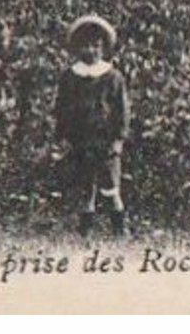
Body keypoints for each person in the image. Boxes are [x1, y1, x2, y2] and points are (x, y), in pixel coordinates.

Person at [52, 13, 130, 236]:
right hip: (80, 139)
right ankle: (85, 229)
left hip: (105, 140)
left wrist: (118, 139)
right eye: (85, 46)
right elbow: (62, 108)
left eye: (96, 46)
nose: (91, 51)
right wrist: (62, 137)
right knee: (85, 186)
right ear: (77, 48)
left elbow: (121, 110)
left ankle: (119, 229)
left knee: (110, 186)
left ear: (103, 48)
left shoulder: (113, 77)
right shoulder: (70, 76)